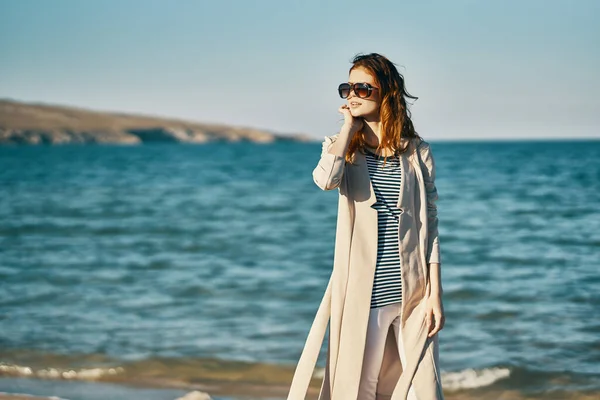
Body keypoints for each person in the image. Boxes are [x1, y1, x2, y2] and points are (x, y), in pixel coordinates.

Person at [287, 53, 445, 400]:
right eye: (347, 88)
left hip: (413, 294)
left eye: (363, 88)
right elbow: (325, 180)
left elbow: (430, 225)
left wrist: (435, 294)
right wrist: (348, 129)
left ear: (386, 92)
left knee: (424, 391)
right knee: (363, 390)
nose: (352, 95)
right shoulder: (344, 149)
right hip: (366, 297)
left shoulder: (417, 153)